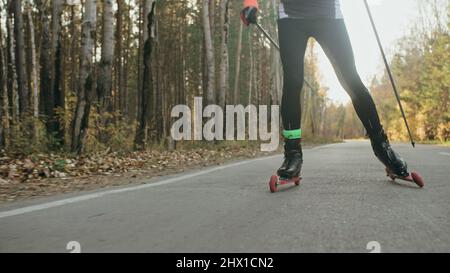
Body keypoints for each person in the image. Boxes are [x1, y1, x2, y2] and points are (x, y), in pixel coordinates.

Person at [241, 0, 409, 179]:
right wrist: (251, 3)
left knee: (351, 79)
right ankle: (293, 155)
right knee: (292, 81)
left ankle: (383, 148)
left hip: (329, 15)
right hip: (291, 16)